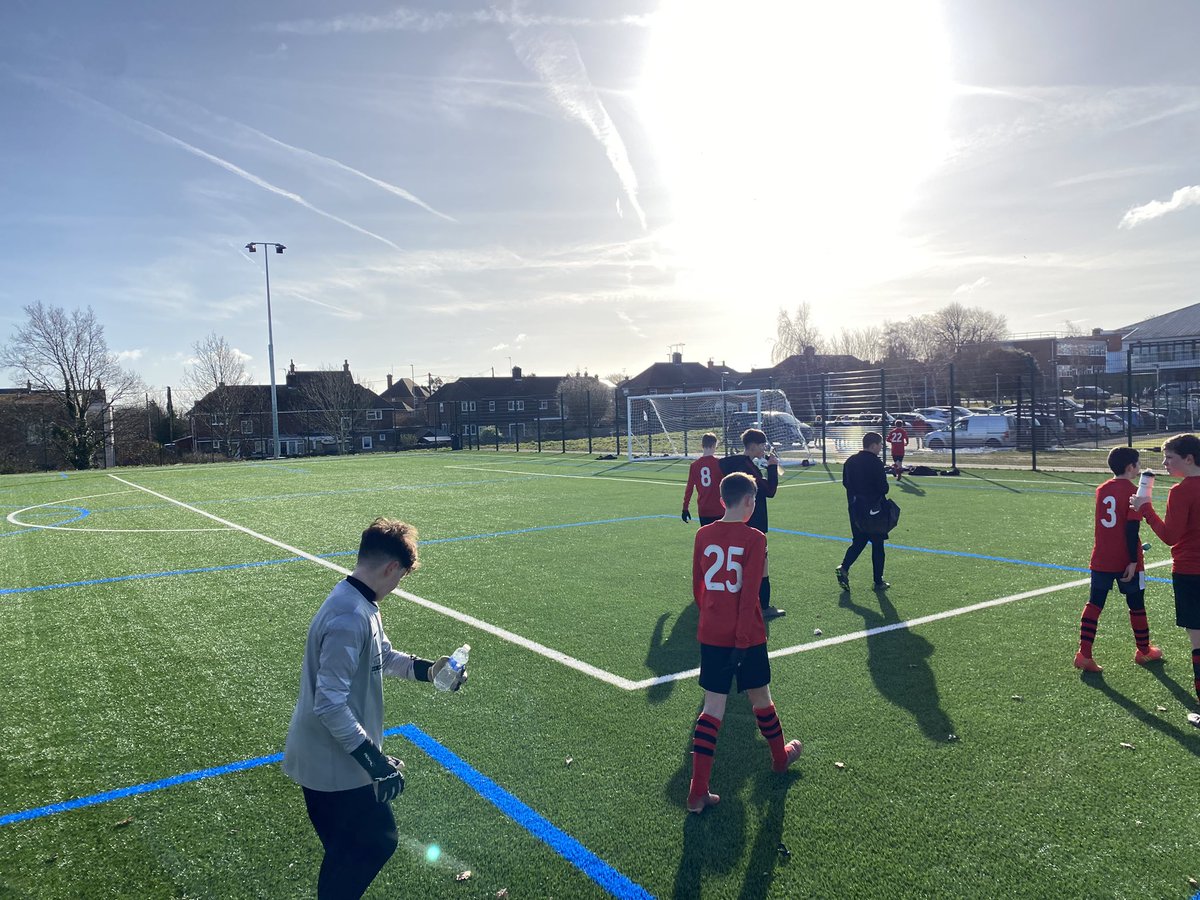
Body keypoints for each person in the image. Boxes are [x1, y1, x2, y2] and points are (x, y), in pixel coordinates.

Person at [283, 517, 468, 899]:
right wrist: (375, 763)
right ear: (391, 568)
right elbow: (330, 704)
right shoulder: (350, 615)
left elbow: (381, 656)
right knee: (376, 842)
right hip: (332, 767)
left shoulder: (358, 602)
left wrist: (429, 671)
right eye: (401, 576)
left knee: (348, 852)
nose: (398, 585)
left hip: (332, 761)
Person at [686, 472, 803, 814]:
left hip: (712, 632)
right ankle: (780, 758)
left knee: (712, 708)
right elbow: (750, 590)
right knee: (761, 698)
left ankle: (697, 792)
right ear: (751, 502)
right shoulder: (755, 538)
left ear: (722, 500)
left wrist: (710, 616)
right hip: (746, 635)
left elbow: (698, 587)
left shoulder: (703, 534)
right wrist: (741, 638)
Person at [1131, 433, 1200, 727]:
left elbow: (1170, 536)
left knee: (1197, 638)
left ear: (1188, 459)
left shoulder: (1182, 491)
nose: (1164, 464)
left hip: (1190, 570)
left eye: (1169, 458)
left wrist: (1145, 508)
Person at [1074, 447, 1162, 673]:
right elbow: (1131, 529)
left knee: (1094, 604)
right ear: (1131, 467)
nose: (1139, 468)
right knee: (1136, 605)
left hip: (1102, 557)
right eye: (1138, 464)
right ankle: (1143, 651)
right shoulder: (1135, 493)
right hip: (1126, 560)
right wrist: (1132, 560)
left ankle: (1084, 654)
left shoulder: (1102, 489)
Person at [719, 428, 785, 619]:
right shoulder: (747, 467)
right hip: (753, 521)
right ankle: (763, 606)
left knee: (738, 562)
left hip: (735, 519)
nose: (764, 448)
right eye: (762, 445)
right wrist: (772, 467)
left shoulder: (733, 462)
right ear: (754, 446)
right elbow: (770, 491)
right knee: (760, 563)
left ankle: (735, 602)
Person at [835, 432, 891, 590]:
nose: (881, 448)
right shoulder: (875, 463)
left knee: (859, 541)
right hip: (873, 510)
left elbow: (846, 483)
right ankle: (878, 581)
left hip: (855, 507)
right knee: (878, 544)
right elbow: (883, 488)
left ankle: (844, 567)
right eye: (880, 445)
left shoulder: (850, 461)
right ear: (873, 445)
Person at [682, 432, 724, 526]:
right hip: (719, 508)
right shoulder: (720, 463)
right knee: (721, 538)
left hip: (704, 508)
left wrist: (685, 508)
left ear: (702, 445)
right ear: (715, 445)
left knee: (707, 538)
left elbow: (689, 489)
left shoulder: (694, 465)